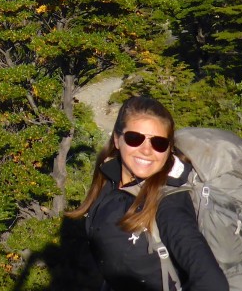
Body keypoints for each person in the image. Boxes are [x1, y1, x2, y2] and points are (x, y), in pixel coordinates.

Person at [67, 95, 228, 291]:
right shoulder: (109, 176)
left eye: (159, 143)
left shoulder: (169, 204)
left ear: (169, 149)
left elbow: (212, 283)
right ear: (117, 140)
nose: (146, 150)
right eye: (135, 138)